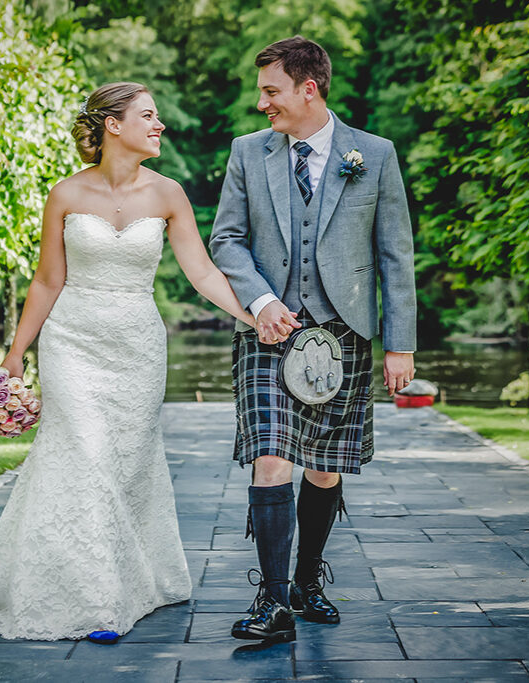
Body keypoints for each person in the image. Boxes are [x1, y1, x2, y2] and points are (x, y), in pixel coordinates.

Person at [0, 82, 254, 641]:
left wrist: (256, 316)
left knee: (124, 466)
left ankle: (134, 577)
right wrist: (14, 357)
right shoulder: (64, 194)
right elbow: (48, 280)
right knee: (82, 457)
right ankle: (98, 602)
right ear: (113, 124)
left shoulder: (169, 194)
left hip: (137, 345)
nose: (160, 126)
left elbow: (201, 274)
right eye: (148, 116)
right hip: (72, 343)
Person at [209, 36, 416, 642]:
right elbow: (226, 240)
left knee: (325, 467)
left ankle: (306, 581)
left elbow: (395, 256)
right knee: (270, 456)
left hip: (343, 331)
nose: (260, 104)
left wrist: (399, 343)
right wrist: (262, 301)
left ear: (309, 88)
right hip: (267, 331)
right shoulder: (248, 153)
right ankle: (272, 604)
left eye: (270, 91)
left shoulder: (373, 155)